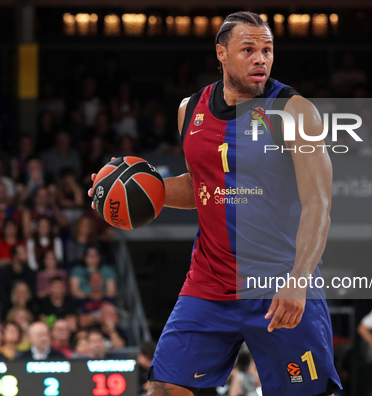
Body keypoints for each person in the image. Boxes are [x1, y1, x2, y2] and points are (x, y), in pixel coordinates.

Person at [89, 12, 341, 396]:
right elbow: (200, 186)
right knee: (164, 387)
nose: (261, 59)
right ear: (221, 53)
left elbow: (318, 204)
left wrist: (299, 278)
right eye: (249, 49)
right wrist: (123, 188)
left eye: (267, 50)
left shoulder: (295, 112)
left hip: (277, 281)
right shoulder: (190, 109)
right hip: (208, 282)